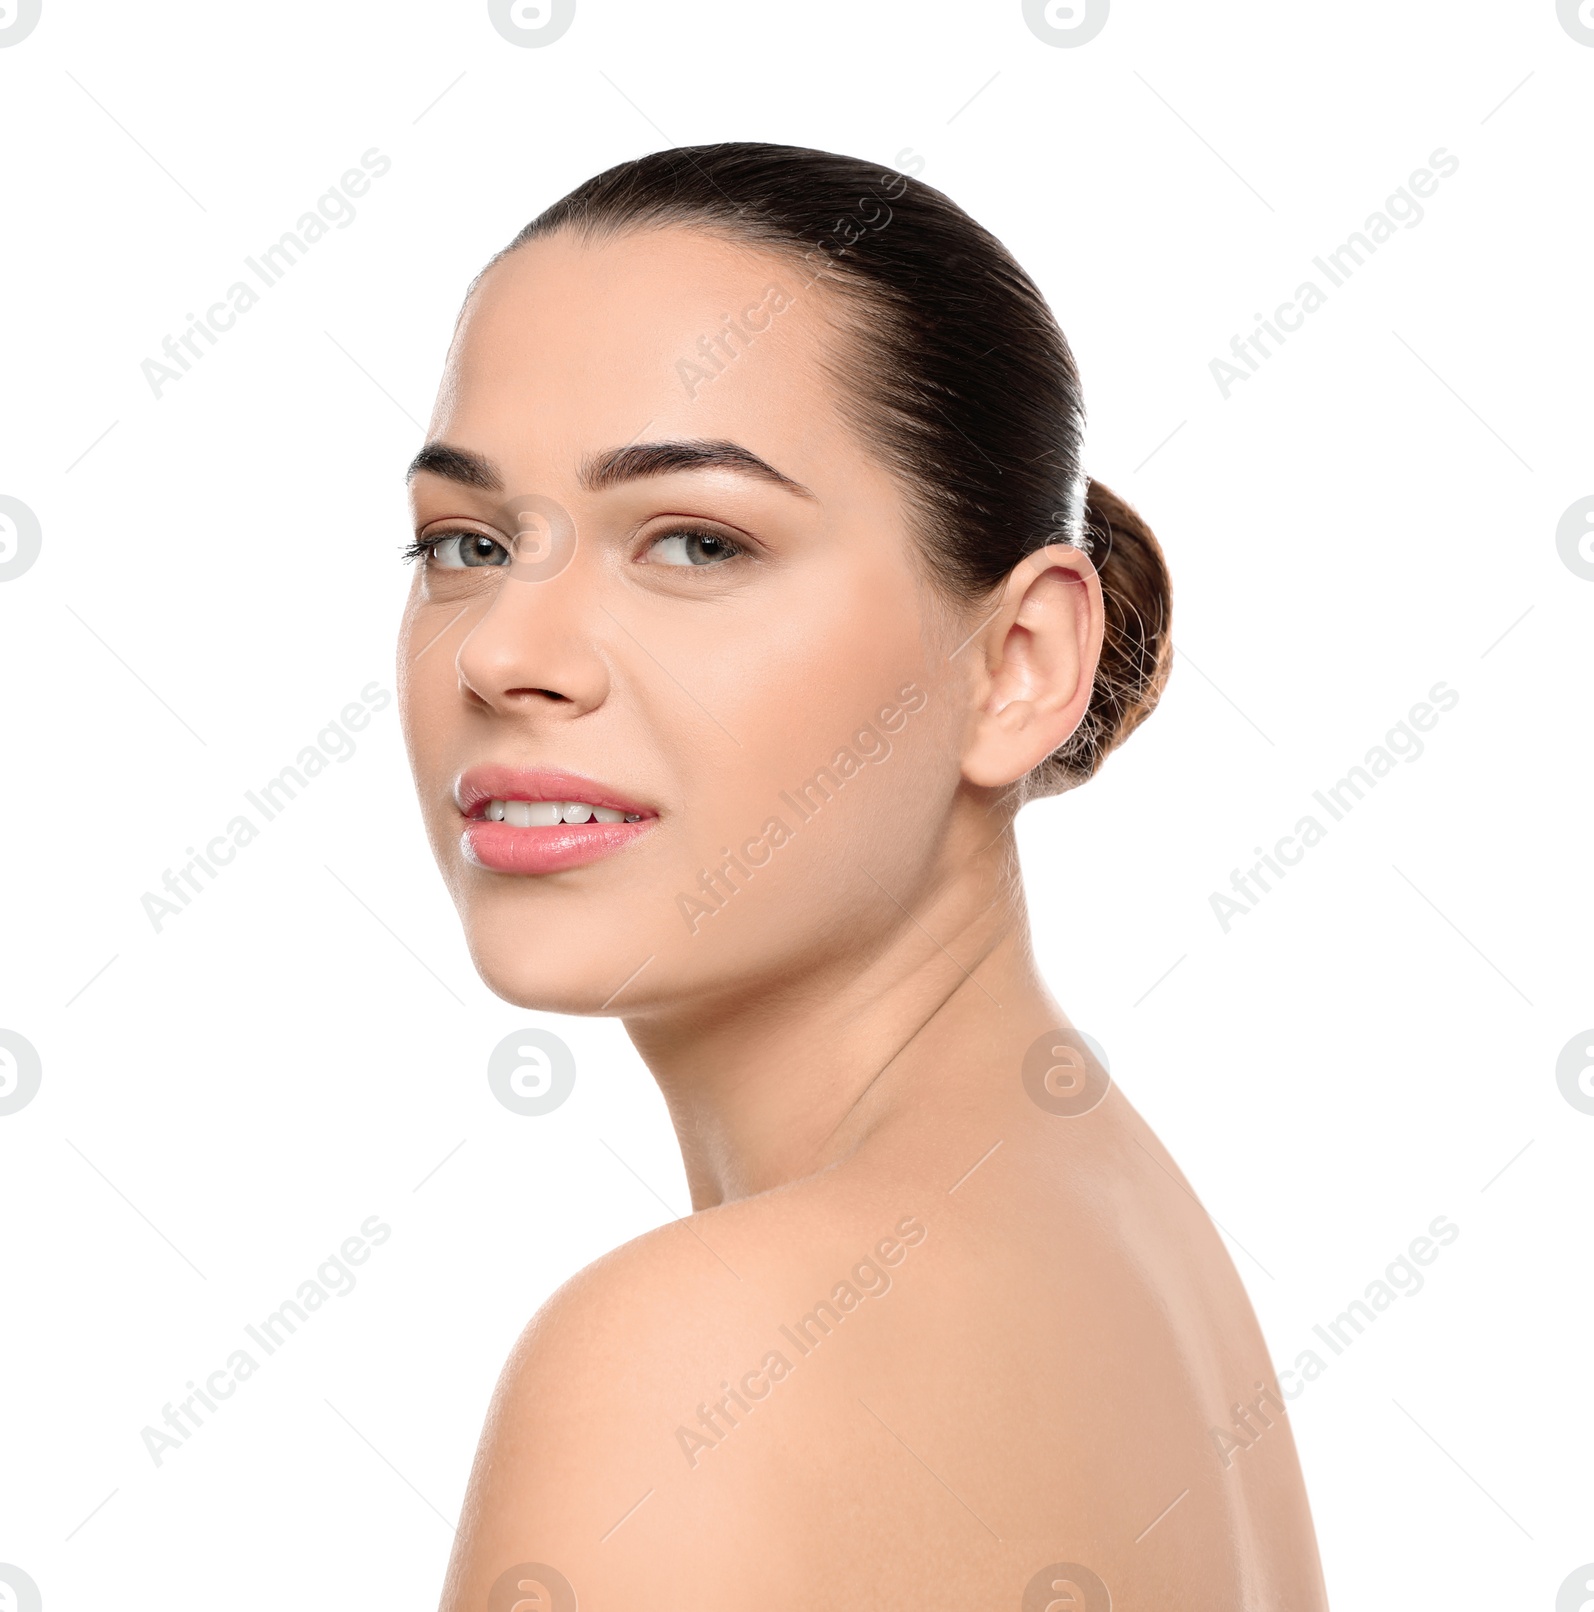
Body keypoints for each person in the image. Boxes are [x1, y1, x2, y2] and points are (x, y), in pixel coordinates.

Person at [399, 142, 1327, 1611]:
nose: (506, 653)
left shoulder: (693, 1361)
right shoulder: (1115, 1232)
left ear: (1018, 664)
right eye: (467, 540)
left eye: (696, 540)